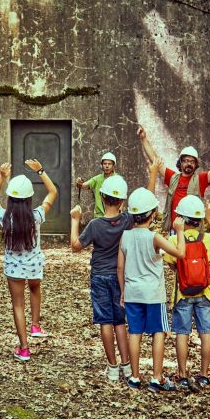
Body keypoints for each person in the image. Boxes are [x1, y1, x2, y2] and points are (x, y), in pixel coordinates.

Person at [70, 158, 162, 381]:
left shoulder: (94, 225)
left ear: (102, 197)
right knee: (120, 321)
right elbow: (146, 202)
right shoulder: (127, 220)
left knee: (105, 321)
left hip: (99, 276)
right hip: (122, 277)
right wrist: (152, 173)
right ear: (122, 200)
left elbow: (76, 247)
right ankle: (127, 365)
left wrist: (75, 221)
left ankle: (112, 368)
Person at [118, 187, 186, 392]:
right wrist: (180, 231)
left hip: (132, 292)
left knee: (135, 332)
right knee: (159, 332)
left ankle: (135, 377)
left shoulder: (125, 236)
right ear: (153, 214)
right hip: (153, 294)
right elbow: (180, 253)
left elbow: (120, 267)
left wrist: (122, 291)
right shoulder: (154, 237)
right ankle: (156, 378)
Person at [0, 159, 57, 361]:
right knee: (35, 289)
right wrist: (41, 170)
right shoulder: (37, 216)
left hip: (13, 268)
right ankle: (35, 325)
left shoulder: (4, 216)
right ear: (29, 198)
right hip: (34, 264)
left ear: (10, 198)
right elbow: (53, 192)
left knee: (18, 305)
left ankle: (24, 348)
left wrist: (1, 177)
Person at [162, 196, 210, 391]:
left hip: (182, 293)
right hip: (206, 293)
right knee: (206, 332)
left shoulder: (172, 240)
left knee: (182, 333)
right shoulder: (207, 241)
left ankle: (183, 375)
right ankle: (204, 375)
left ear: (181, 218)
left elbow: (172, 264)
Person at [137, 126, 210, 230]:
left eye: (192, 161)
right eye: (186, 160)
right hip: (173, 230)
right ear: (180, 163)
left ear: (196, 165)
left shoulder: (201, 179)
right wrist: (144, 139)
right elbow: (155, 160)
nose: (189, 164)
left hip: (192, 232)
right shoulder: (172, 177)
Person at [76, 152, 119, 218]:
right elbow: (83, 186)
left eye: (109, 164)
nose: (107, 166)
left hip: (113, 215)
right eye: (105, 164)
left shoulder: (118, 179)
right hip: (99, 216)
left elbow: (122, 197)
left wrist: (119, 210)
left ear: (113, 165)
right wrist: (79, 182)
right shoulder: (98, 178)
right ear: (101, 165)